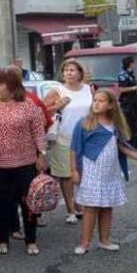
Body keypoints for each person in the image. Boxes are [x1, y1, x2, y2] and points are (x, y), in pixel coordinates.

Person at [0, 67, 47, 255]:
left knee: (28, 202)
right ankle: (3, 240)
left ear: (12, 86)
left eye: (1, 84)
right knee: (3, 202)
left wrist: (42, 154)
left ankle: (31, 240)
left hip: (25, 162)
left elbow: (38, 131)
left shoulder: (27, 105)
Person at [70, 90, 137, 255]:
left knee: (107, 206)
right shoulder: (84, 123)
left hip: (110, 170)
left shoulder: (114, 124)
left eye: (101, 101)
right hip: (91, 169)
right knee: (91, 207)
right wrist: (73, 170)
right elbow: (74, 148)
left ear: (110, 105)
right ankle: (84, 242)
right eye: (95, 100)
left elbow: (120, 145)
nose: (96, 103)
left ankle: (105, 240)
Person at [44, 58, 93, 225]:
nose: (69, 73)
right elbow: (41, 111)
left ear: (80, 72)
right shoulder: (57, 90)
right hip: (64, 136)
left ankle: (81, 206)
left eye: (72, 70)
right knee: (66, 175)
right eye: (66, 70)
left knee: (84, 172)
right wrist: (57, 105)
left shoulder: (88, 89)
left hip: (87, 136)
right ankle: (71, 210)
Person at [117, 56, 137, 147]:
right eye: (133, 63)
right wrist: (135, 87)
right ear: (129, 63)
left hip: (134, 101)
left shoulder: (131, 74)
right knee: (129, 123)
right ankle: (129, 143)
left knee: (136, 122)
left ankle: (136, 143)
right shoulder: (122, 75)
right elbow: (122, 89)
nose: (134, 64)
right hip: (127, 103)